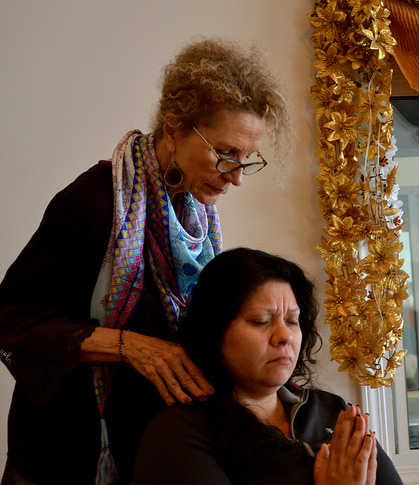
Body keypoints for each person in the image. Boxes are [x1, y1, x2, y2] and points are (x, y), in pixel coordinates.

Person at [0, 38, 291, 485]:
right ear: (173, 130)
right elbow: (11, 319)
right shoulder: (94, 204)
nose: (235, 176)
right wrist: (129, 346)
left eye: (246, 160)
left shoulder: (194, 214)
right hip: (66, 456)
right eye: (225, 154)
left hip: (151, 450)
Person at [134, 248, 404, 485]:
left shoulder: (332, 410)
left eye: (293, 321)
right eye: (261, 321)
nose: (284, 336)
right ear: (214, 332)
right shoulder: (179, 433)